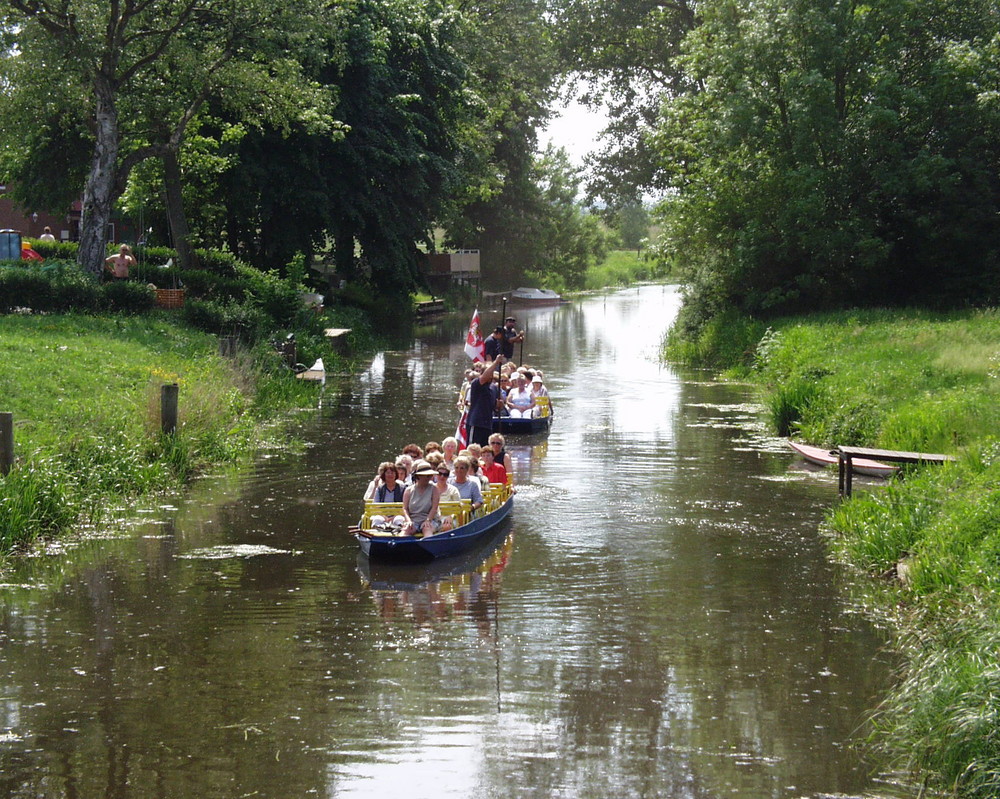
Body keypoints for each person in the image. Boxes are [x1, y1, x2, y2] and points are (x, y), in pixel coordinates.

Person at [465, 353, 503, 446]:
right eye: (489, 372)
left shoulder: (494, 387)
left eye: (492, 373)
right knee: (473, 448)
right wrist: (496, 362)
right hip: (476, 423)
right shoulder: (476, 383)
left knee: (486, 449)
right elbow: (484, 377)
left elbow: (496, 408)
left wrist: (499, 405)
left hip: (487, 424)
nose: (490, 376)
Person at [402, 461, 443, 536]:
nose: (429, 477)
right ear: (418, 476)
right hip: (414, 520)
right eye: (426, 475)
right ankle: (401, 545)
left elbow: (434, 508)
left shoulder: (434, 489)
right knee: (407, 529)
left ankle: (428, 545)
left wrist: (428, 520)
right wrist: (408, 521)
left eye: (430, 475)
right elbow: (405, 508)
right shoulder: (408, 490)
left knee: (427, 528)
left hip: (431, 519)